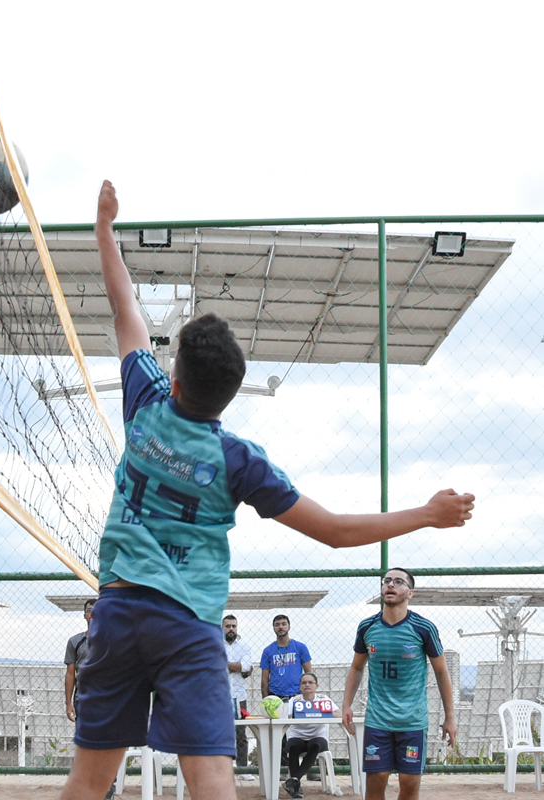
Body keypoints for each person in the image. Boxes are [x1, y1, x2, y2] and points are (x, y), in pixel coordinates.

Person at [57, 180, 475, 800]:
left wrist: (104, 231)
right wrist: (426, 513)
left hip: (117, 614)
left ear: (175, 380)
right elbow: (336, 532)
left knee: (90, 781)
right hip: (188, 625)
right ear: (228, 397)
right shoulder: (238, 459)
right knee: (212, 778)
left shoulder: (145, 403)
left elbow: (126, 313)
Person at [343, 568, 456, 800]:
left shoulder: (424, 628)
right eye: (386, 581)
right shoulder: (367, 627)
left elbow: (441, 671)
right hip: (378, 720)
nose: (390, 585)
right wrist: (346, 704)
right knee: (376, 781)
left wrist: (450, 717)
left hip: (412, 721)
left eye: (398, 581)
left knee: (409, 783)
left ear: (410, 593)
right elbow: (356, 667)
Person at [261, 614, 313, 766]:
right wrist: (266, 700)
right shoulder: (268, 651)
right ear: (273, 628)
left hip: (297, 697)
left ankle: (308, 768)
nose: (281, 627)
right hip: (276, 698)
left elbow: (309, 673)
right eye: (277, 624)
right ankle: (283, 769)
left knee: (303, 733)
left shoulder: (300, 647)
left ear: (289, 627)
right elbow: (264, 679)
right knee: (280, 736)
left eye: (284, 624)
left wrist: (309, 696)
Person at [284, 672, 340, 799]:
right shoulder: (294, 701)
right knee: (292, 746)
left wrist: (319, 712)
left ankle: (294, 780)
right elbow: (285, 717)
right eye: (304, 683)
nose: (307, 685)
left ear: (317, 686)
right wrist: (301, 713)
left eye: (310, 682)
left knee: (315, 745)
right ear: (300, 687)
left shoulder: (323, 699)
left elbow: (339, 714)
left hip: (317, 737)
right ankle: (296, 787)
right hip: (298, 736)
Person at [222, 615, 254, 778]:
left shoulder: (244, 647)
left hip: (239, 697)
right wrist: (238, 667)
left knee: (241, 734)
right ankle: (221, 770)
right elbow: (213, 664)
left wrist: (224, 665)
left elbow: (247, 666)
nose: (231, 629)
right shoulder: (215, 646)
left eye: (233, 626)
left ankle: (242, 769)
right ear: (222, 628)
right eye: (228, 626)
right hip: (219, 696)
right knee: (219, 733)